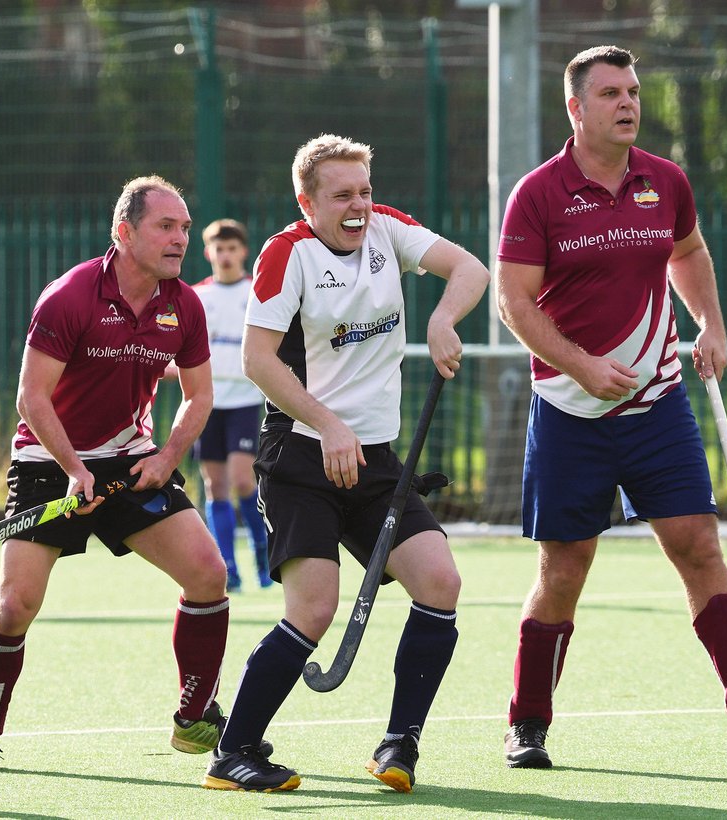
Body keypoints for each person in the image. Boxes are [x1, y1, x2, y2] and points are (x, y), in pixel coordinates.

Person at [494, 46, 727, 769]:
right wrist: (581, 364)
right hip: (571, 412)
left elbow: (689, 252)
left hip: (660, 405)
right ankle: (528, 723)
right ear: (576, 109)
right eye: (610, 93)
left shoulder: (664, 182)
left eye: (633, 91)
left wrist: (711, 323)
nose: (628, 103)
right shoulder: (540, 193)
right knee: (564, 569)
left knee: (698, 546)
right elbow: (514, 303)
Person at [200, 133, 490, 794]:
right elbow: (257, 361)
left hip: (376, 457)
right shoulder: (285, 255)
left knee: (439, 583)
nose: (359, 205)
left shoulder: (388, 230)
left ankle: (399, 743)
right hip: (301, 455)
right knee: (314, 608)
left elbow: (471, 269)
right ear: (308, 202)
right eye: (342, 195)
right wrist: (327, 424)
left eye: (364, 190)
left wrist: (444, 318)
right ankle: (233, 751)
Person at [0, 176, 234, 771]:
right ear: (125, 233)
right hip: (49, 463)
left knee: (208, 574)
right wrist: (74, 469)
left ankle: (194, 716)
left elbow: (199, 396)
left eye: (184, 227)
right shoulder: (70, 295)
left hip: (132, 461)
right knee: (15, 605)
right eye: (166, 227)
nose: (180, 239)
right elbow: (32, 398)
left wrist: (166, 457)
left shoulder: (183, 303)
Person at [192, 218, 273, 592]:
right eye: (218, 249)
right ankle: (228, 567)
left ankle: (263, 553)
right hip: (206, 403)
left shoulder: (256, 292)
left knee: (243, 480)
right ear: (209, 253)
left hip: (244, 400)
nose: (225, 255)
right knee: (215, 486)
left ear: (243, 252)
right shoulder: (197, 297)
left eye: (232, 248)